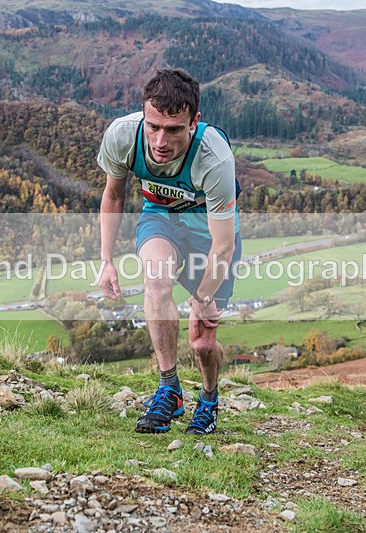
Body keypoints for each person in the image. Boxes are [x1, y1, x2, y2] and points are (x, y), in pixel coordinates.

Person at [97, 69, 241, 435]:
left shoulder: (214, 157)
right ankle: (169, 389)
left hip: (209, 239)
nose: (161, 141)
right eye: (153, 126)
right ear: (143, 116)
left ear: (193, 122)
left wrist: (203, 298)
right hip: (160, 220)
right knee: (157, 280)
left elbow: (224, 245)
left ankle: (208, 399)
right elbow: (113, 195)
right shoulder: (123, 135)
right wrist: (106, 260)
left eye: (174, 130)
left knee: (202, 343)